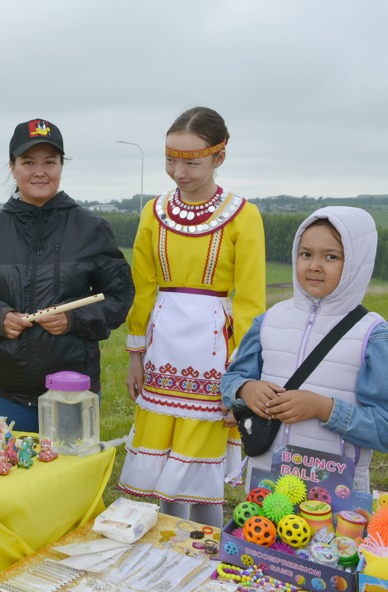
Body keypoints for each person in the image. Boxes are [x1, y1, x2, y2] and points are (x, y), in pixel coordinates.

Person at [117, 107, 266, 527]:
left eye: (191, 163)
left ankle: (203, 545)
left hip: (213, 351)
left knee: (200, 457)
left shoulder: (243, 216)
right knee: (160, 453)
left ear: (219, 158)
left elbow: (252, 300)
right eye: (171, 160)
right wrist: (135, 354)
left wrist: (243, 371)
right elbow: (142, 286)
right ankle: (159, 543)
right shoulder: (154, 212)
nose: (178, 172)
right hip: (162, 346)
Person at [0, 118, 134, 433]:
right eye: (28, 162)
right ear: (12, 166)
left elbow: (119, 297)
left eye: (49, 161)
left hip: (73, 392)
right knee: (12, 475)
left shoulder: (91, 229)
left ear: (61, 165)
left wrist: (73, 320)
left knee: (70, 478)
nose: (39, 171)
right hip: (3, 392)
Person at [221, 207, 388, 492]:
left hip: (337, 497)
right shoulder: (268, 321)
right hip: (265, 488)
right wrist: (245, 390)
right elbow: (231, 380)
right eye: (306, 254)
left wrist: (324, 408)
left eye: (331, 256)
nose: (314, 265)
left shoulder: (375, 337)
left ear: (356, 264)